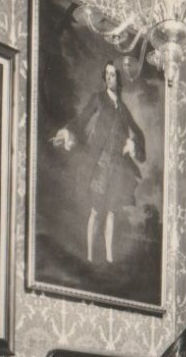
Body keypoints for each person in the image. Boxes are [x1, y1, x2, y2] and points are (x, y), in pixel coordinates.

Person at [52, 61, 146, 264]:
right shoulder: (98, 99)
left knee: (111, 212)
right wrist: (67, 131)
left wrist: (132, 143)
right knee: (95, 211)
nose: (111, 78)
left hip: (117, 166)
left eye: (114, 75)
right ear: (105, 79)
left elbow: (137, 131)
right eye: (108, 75)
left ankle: (110, 259)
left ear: (119, 80)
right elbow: (82, 118)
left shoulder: (122, 108)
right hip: (100, 163)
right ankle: (89, 256)